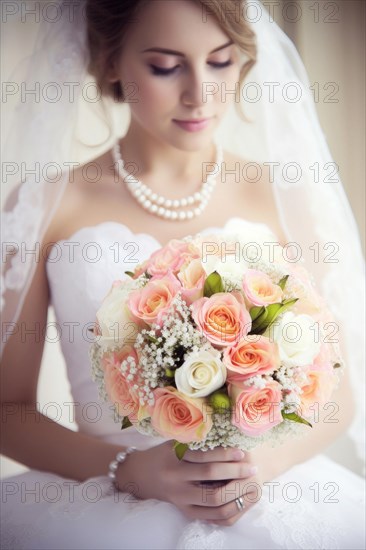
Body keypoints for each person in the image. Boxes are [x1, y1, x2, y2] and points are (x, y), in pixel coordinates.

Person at [1, 1, 364, 549]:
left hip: (266, 493)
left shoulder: (288, 199)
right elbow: (8, 409)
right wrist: (128, 468)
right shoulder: (45, 206)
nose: (201, 94)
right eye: (167, 67)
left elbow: (336, 394)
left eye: (220, 62)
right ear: (111, 63)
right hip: (103, 497)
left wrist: (254, 470)